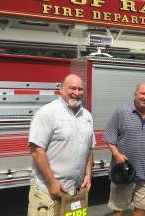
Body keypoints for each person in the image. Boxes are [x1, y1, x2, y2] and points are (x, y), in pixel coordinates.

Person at [27, 74, 95, 216]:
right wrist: (52, 183)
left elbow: (89, 148)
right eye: (72, 88)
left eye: (80, 89)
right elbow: (36, 150)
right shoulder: (47, 113)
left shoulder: (87, 116)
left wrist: (88, 175)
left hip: (74, 193)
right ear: (61, 89)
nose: (77, 93)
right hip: (47, 192)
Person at [104, 83, 145, 216]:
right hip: (124, 171)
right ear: (135, 94)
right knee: (118, 209)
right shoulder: (122, 112)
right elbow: (109, 137)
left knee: (141, 208)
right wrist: (117, 154)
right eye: (142, 93)